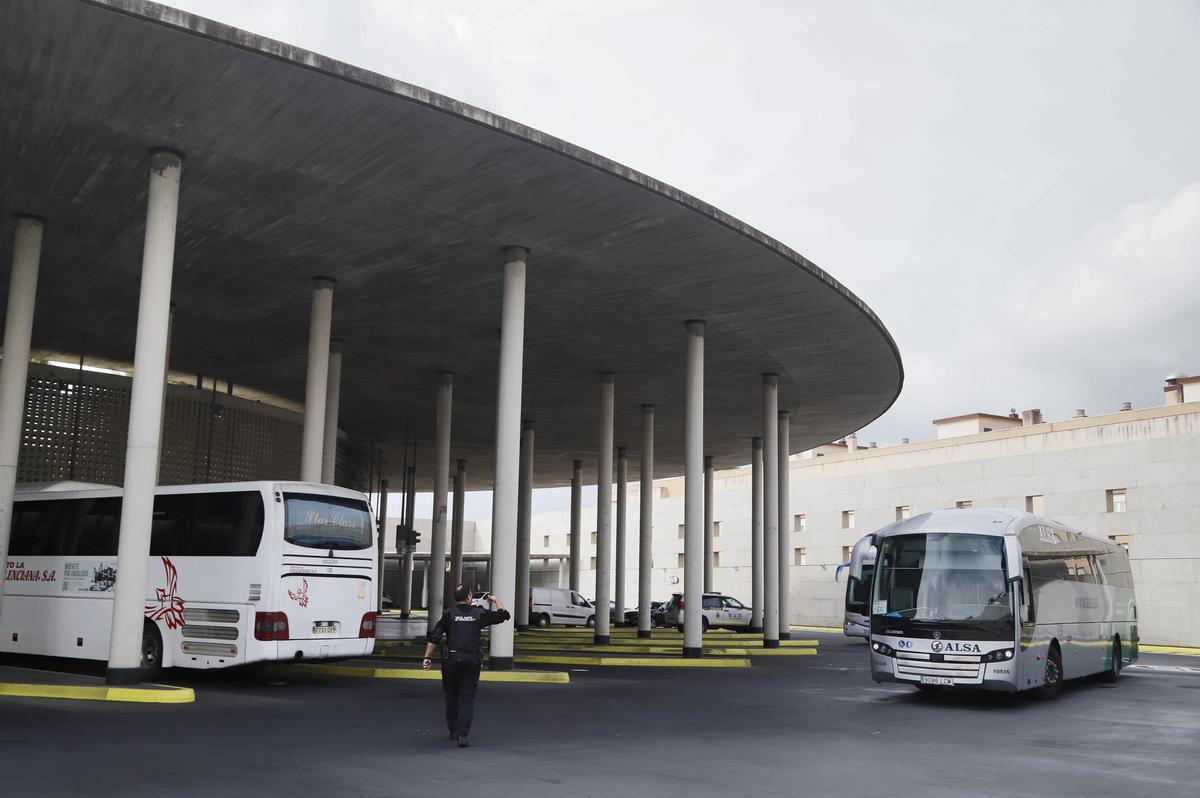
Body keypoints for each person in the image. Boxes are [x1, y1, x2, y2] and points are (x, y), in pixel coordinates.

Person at [423, 584, 510, 747]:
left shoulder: (448, 614)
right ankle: (463, 734)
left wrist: (427, 658)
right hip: (472, 660)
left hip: (452, 661)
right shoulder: (479, 613)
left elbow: (435, 637)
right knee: (467, 698)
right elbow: (502, 616)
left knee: (451, 696)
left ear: (456, 598)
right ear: (469, 597)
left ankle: (453, 730)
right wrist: (496, 600)